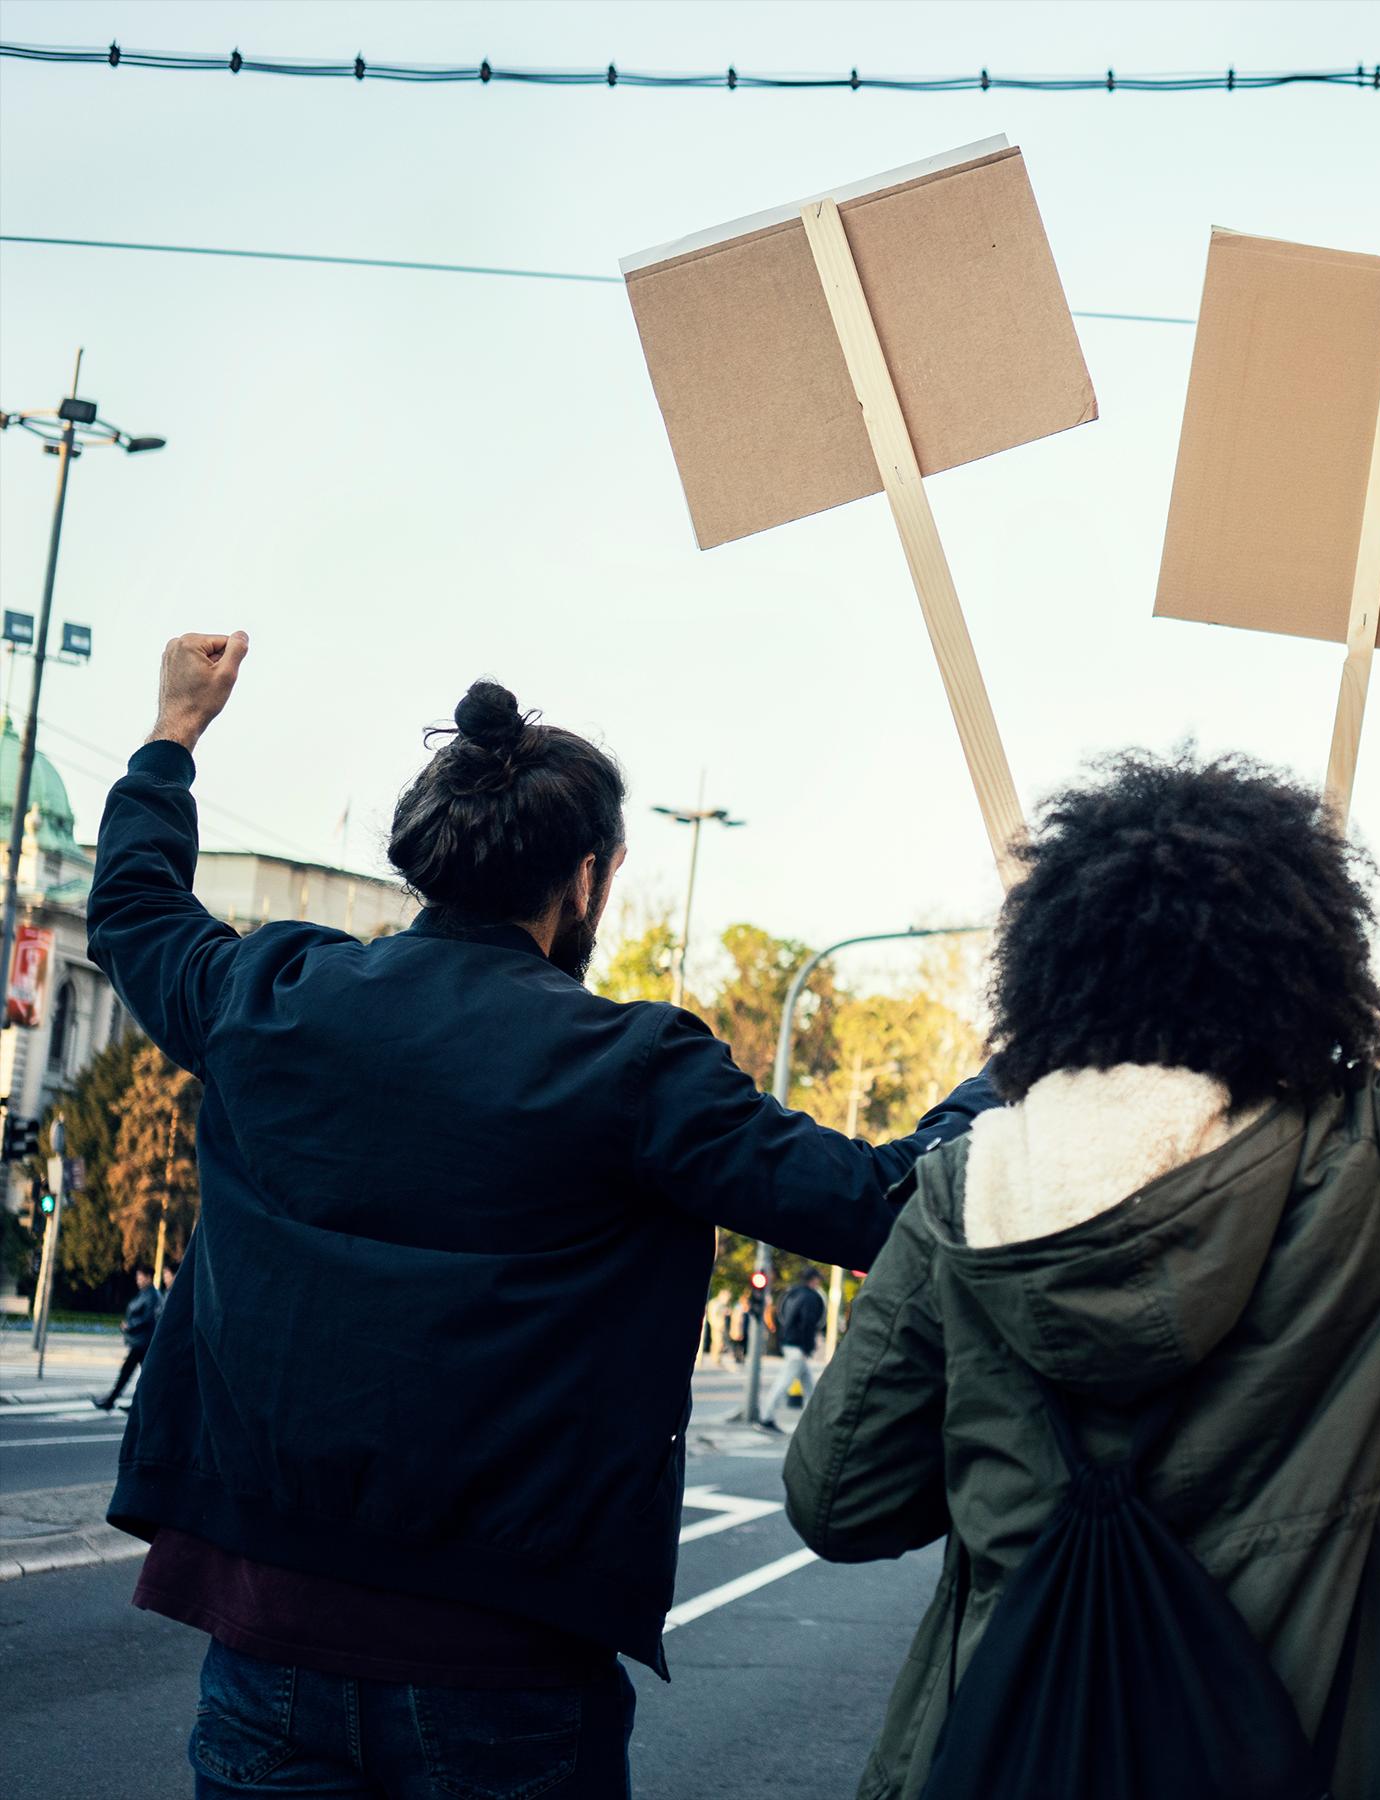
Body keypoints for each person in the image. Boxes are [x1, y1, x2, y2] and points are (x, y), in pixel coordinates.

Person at [782, 566, 1380, 1800]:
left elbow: (838, 1500)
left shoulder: (963, 1196)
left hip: (1015, 1751)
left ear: (1054, 975)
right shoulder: (1373, 1157)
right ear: (1305, 967)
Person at [87, 636, 996, 1799]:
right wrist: (1017, 1069)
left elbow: (134, 910)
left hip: (264, 1645)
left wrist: (173, 734)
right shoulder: (634, 1070)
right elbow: (882, 1203)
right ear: (587, 880)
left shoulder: (268, 997)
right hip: (504, 1674)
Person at [760, 1269, 830, 1426]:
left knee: (809, 1385)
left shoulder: (792, 1293)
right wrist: (807, 1346)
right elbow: (808, 1323)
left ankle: (815, 1420)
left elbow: (783, 1317)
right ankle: (766, 1417)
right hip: (798, 1347)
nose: (819, 1282)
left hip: (790, 1343)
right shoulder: (810, 1297)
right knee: (784, 1382)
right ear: (813, 1280)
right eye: (818, 1279)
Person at [92, 1269, 164, 1411]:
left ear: (149, 1277)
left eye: (141, 1277)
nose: (138, 1280)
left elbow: (148, 1318)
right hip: (139, 1342)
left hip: (143, 1342)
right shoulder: (145, 1294)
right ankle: (124, 1403)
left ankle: (116, 1402)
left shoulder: (151, 1295)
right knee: (142, 1375)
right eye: (137, 1277)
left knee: (134, 1373)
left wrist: (129, 1325)